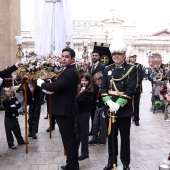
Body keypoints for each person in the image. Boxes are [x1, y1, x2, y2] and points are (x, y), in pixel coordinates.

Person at [37, 47, 80, 170]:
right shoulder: (68, 70)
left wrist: (42, 84)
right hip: (65, 109)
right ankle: (72, 163)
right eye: (63, 56)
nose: (64, 58)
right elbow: (61, 84)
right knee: (69, 139)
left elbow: (56, 86)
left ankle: (72, 165)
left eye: (67, 56)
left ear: (72, 58)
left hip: (65, 110)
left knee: (68, 139)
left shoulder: (70, 72)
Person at [101, 32, 137, 170]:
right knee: (111, 137)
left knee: (125, 138)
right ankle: (111, 161)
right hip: (110, 108)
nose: (116, 55)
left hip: (124, 109)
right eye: (114, 53)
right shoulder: (107, 69)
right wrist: (109, 102)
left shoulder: (131, 69)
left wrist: (119, 104)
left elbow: (130, 89)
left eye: (119, 53)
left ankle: (125, 163)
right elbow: (103, 88)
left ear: (124, 54)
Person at [75, 73, 93, 161]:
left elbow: (82, 101)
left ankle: (85, 153)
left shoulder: (89, 91)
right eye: (82, 80)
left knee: (84, 133)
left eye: (86, 80)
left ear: (89, 81)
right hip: (78, 112)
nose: (84, 82)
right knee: (77, 132)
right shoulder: (79, 89)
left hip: (85, 113)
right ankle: (76, 150)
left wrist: (74, 98)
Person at [88, 50, 105, 135]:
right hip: (91, 93)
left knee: (100, 112)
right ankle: (93, 130)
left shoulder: (102, 67)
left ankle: (101, 130)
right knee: (92, 112)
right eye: (93, 55)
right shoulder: (89, 67)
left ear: (99, 57)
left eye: (96, 55)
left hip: (99, 93)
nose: (94, 57)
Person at [88, 72, 107, 145]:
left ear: (100, 79)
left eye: (96, 81)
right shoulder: (98, 87)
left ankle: (102, 139)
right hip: (97, 107)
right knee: (95, 123)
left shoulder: (105, 87)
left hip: (103, 107)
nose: (95, 83)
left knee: (103, 125)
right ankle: (94, 138)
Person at [127, 49, 143, 126]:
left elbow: (140, 76)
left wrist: (136, 85)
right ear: (129, 58)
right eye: (133, 57)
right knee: (127, 103)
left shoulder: (138, 66)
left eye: (135, 57)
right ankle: (128, 117)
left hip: (136, 89)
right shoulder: (126, 66)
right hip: (128, 89)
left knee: (136, 105)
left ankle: (136, 119)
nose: (134, 58)